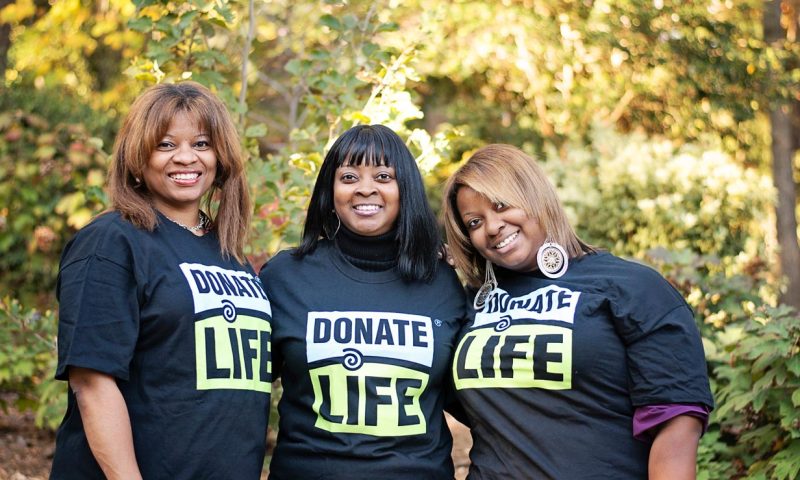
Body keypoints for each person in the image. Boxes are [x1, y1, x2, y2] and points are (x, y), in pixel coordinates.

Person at [442, 144, 714, 479]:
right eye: (474, 222)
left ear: (535, 197)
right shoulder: (467, 304)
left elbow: (676, 426)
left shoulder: (632, 287)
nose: (493, 226)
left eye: (501, 206)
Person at [50, 82, 273, 480]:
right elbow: (92, 384)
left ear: (221, 157)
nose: (186, 158)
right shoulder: (111, 243)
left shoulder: (230, 256)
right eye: (166, 145)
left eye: (202, 144)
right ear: (138, 157)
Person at [259, 124, 466, 479]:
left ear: (405, 190)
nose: (365, 188)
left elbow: (475, 398)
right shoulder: (285, 277)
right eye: (349, 176)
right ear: (331, 189)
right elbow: (240, 395)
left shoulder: (441, 281)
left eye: (383, 175)